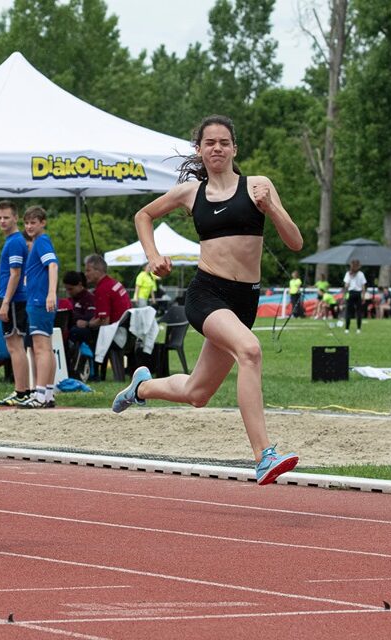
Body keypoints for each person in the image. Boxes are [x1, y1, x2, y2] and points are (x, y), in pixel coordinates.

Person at [110, 114, 303, 486]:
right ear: (198, 150)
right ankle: (264, 455)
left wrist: (272, 209)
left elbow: (295, 242)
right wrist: (153, 257)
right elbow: (143, 215)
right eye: (209, 143)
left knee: (197, 393)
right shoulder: (191, 193)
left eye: (224, 142)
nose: (217, 148)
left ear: (234, 148)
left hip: (244, 299)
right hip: (207, 293)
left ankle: (141, 387)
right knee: (250, 350)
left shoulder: (259, 186)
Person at [0, 200, 33, 407]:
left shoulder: (16, 242)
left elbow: (15, 274)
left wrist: (5, 302)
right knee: (15, 346)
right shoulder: (12, 241)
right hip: (13, 298)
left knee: (15, 345)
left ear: (15, 218)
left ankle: (21, 391)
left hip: (15, 299)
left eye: (6, 217)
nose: (2, 221)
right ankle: (23, 390)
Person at [18, 206, 59, 409]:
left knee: (40, 348)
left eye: (33, 222)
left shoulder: (42, 241)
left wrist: (51, 293)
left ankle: (40, 394)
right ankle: (47, 393)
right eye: (26, 223)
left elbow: (52, 265)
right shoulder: (38, 242)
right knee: (46, 348)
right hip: (39, 299)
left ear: (43, 222)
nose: (29, 226)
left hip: (39, 300)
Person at [84, 255, 131, 330]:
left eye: (88, 270)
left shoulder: (103, 289)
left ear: (98, 271)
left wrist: (87, 324)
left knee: (77, 331)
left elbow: (104, 322)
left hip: (115, 332)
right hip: (125, 327)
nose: (85, 274)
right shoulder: (114, 283)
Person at [62, 270, 96, 366]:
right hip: (70, 328)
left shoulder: (89, 299)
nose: (68, 292)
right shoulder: (70, 300)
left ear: (79, 284)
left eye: (71, 289)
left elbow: (91, 315)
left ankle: (74, 363)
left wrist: (76, 318)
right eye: (67, 289)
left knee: (75, 332)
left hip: (87, 331)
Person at [340, 259, 367, 334]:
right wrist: (363, 296)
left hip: (351, 293)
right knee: (358, 312)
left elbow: (346, 286)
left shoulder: (348, 274)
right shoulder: (361, 274)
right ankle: (358, 329)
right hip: (358, 294)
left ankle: (347, 329)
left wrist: (344, 295)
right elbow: (363, 286)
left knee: (348, 312)